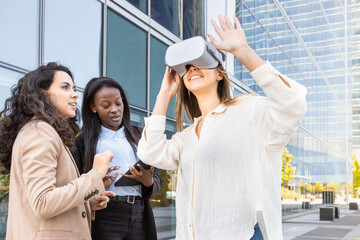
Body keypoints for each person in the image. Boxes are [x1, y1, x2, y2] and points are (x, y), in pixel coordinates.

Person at [137, 15, 307, 240]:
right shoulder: (188, 136)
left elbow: (292, 102)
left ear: (219, 73)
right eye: (186, 68)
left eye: (200, 63)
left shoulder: (249, 111)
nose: (192, 69)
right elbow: (150, 152)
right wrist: (164, 94)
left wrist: (242, 50)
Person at [0, 63, 116, 240]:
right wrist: (94, 176)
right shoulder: (40, 132)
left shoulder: (44, 131)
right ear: (42, 93)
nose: (75, 94)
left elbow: (46, 200)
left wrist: (87, 202)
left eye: (73, 88)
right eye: (65, 87)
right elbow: (43, 203)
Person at [73, 77, 162, 240]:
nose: (114, 109)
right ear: (93, 107)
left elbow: (156, 180)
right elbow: (74, 184)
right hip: (105, 214)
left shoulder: (140, 135)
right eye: (105, 105)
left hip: (139, 212)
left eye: (118, 103)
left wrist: (148, 181)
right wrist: (97, 180)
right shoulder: (83, 142)